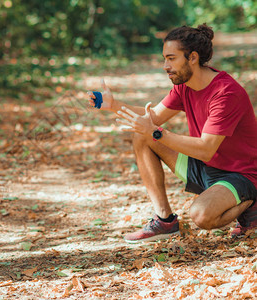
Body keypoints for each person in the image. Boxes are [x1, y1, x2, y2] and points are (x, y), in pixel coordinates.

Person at [88, 24, 257, 243]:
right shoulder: (184, 85)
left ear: (192, 57)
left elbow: (206, 148)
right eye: (164, 59)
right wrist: (112, 105)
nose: (165, 66)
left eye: (171, 58)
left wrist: (157, 133)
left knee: (201, 216)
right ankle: (164, 221)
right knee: (142, 135)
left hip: (241, 174)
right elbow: (152, 118)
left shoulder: (225, 93)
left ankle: (251, 204)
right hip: (207, 169)